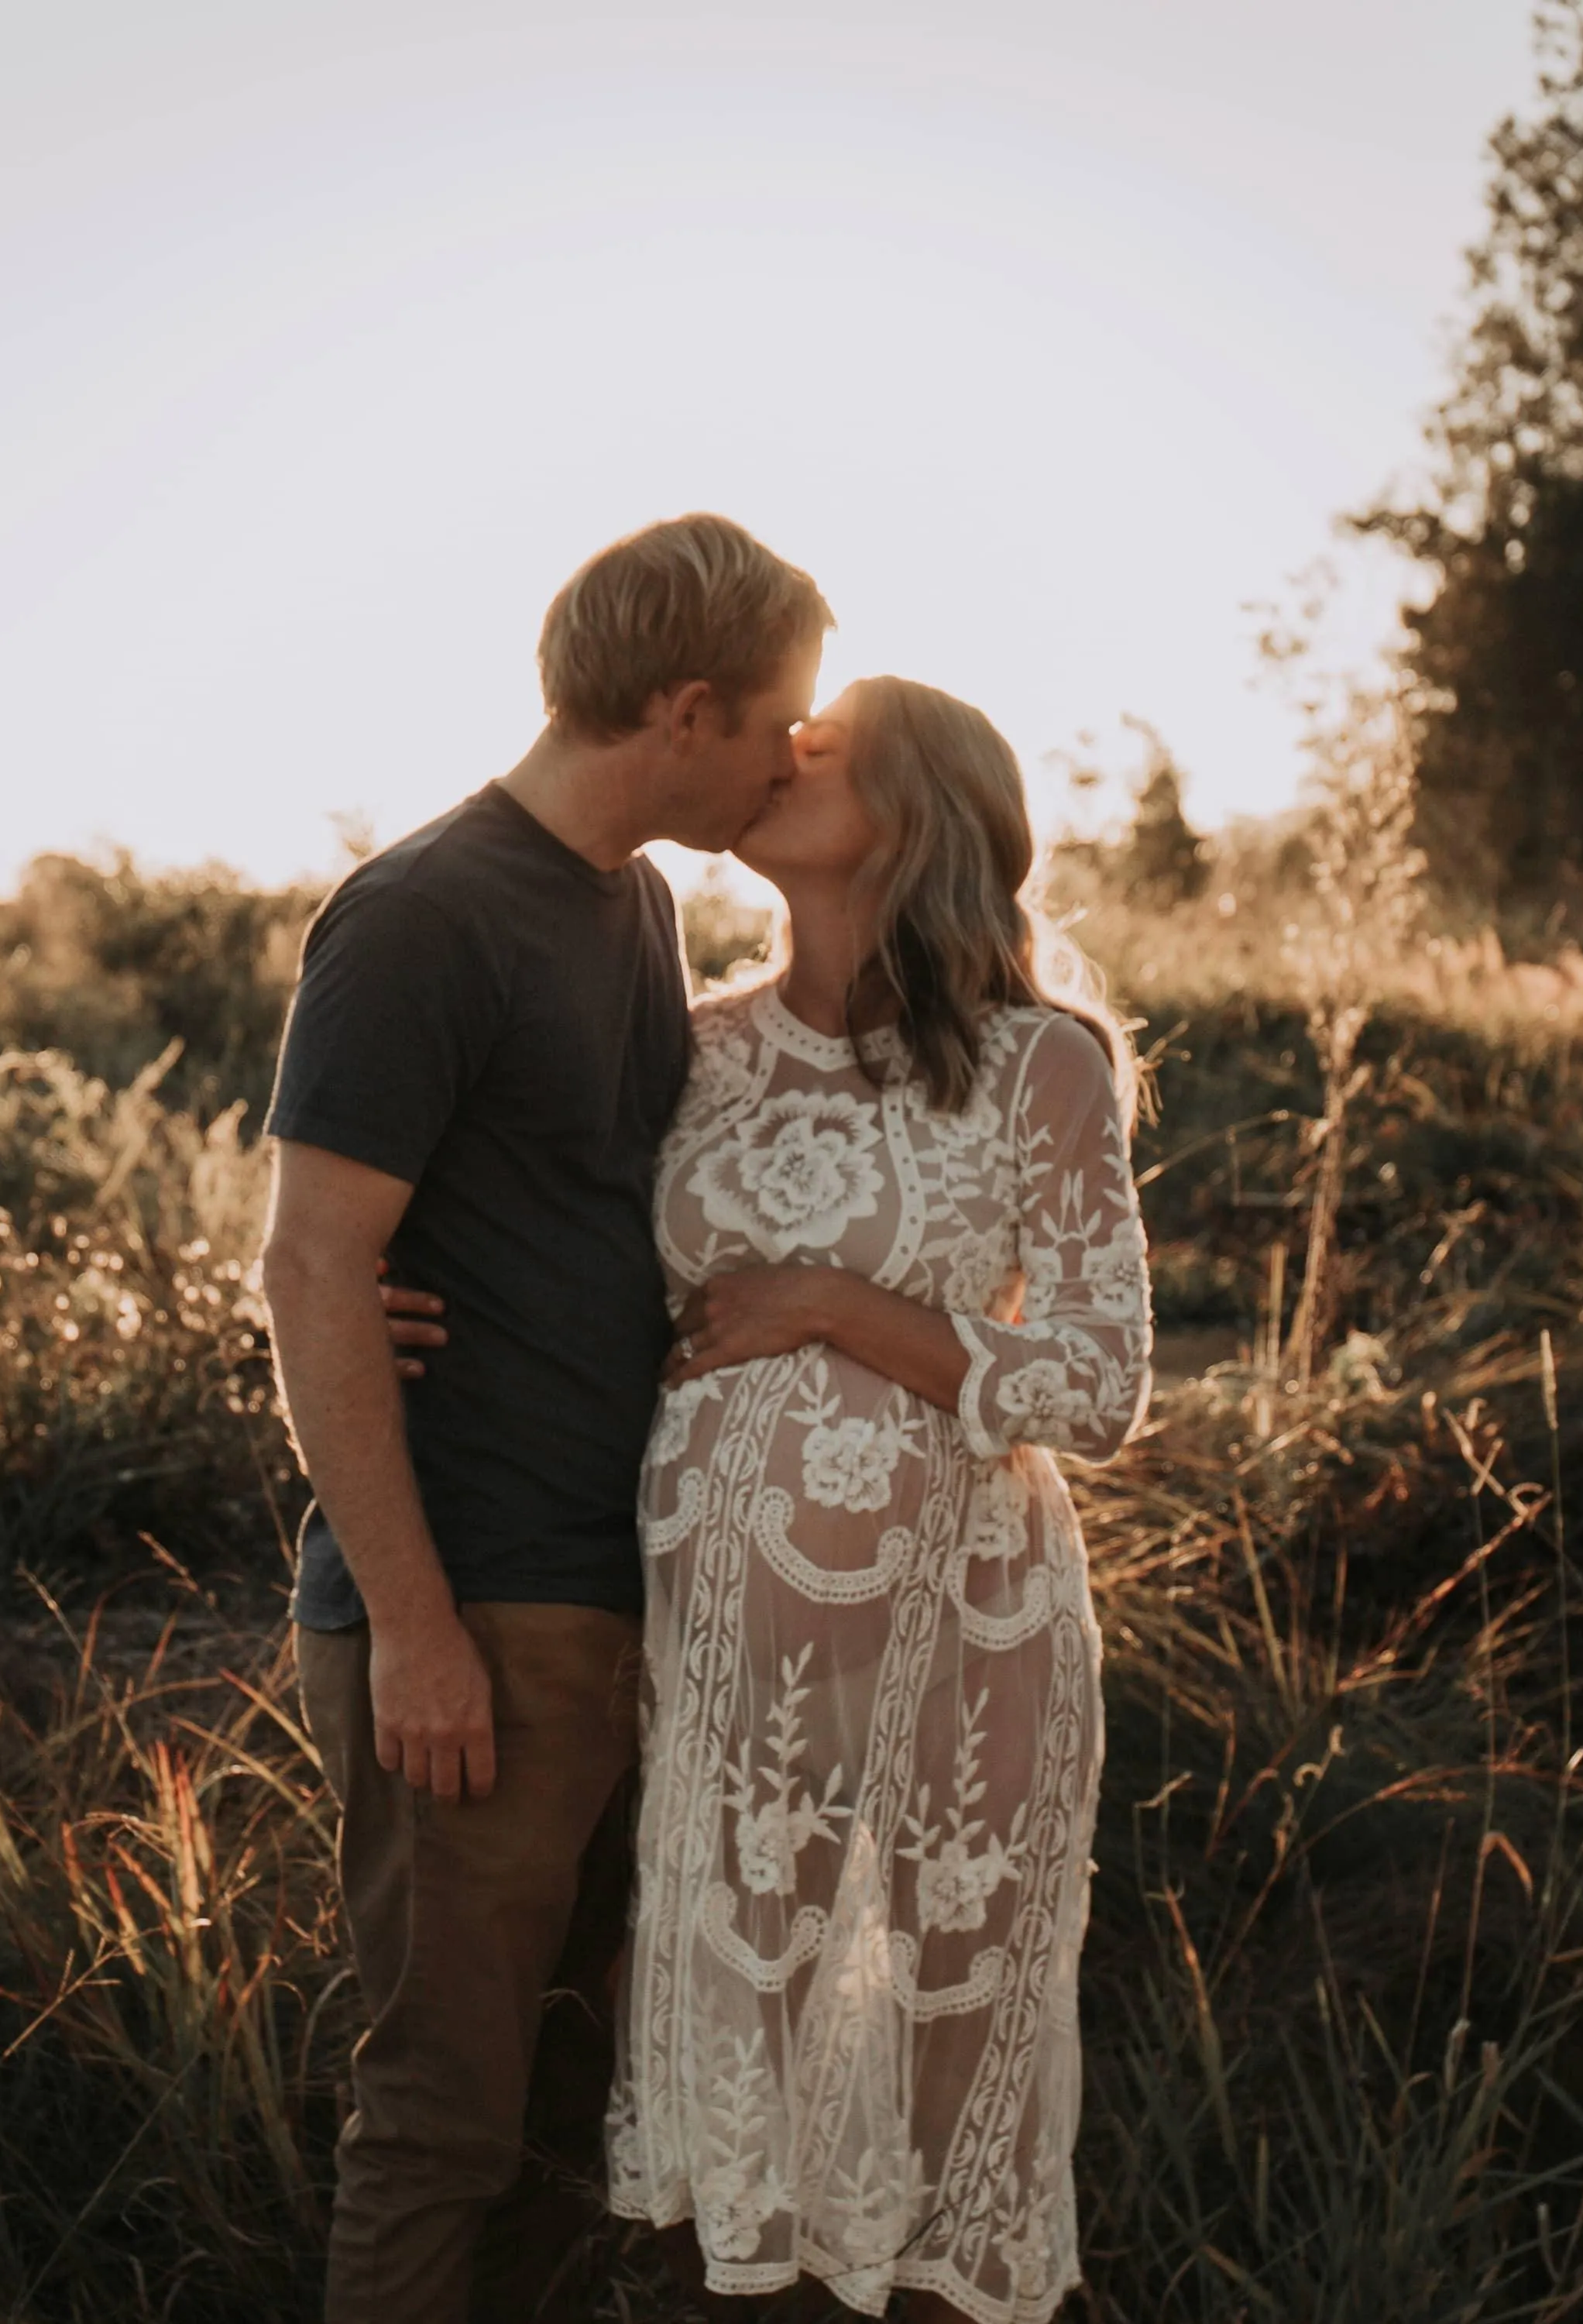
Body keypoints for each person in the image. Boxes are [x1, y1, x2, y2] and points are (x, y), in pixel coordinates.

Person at [260, 514, 832, 2324]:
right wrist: (416, 1631)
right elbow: (309, 1264)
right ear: (681, 706)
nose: (790, 757)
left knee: (568, 2114)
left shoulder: (635, 903)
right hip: (470, 1615)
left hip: (608, 1596)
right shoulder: (426, 910)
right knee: (441, 2121)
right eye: (775, 723)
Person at [604, 677, 1152, 2323]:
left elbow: (1101, 1381)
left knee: (929, 2065)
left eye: (821, 749)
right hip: (722, 1664)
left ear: (914, 813)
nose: (780, 759)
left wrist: (835, 1307)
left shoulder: (1036, 1063)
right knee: (747, 2085)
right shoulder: (685, 1047)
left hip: (962, 1651)